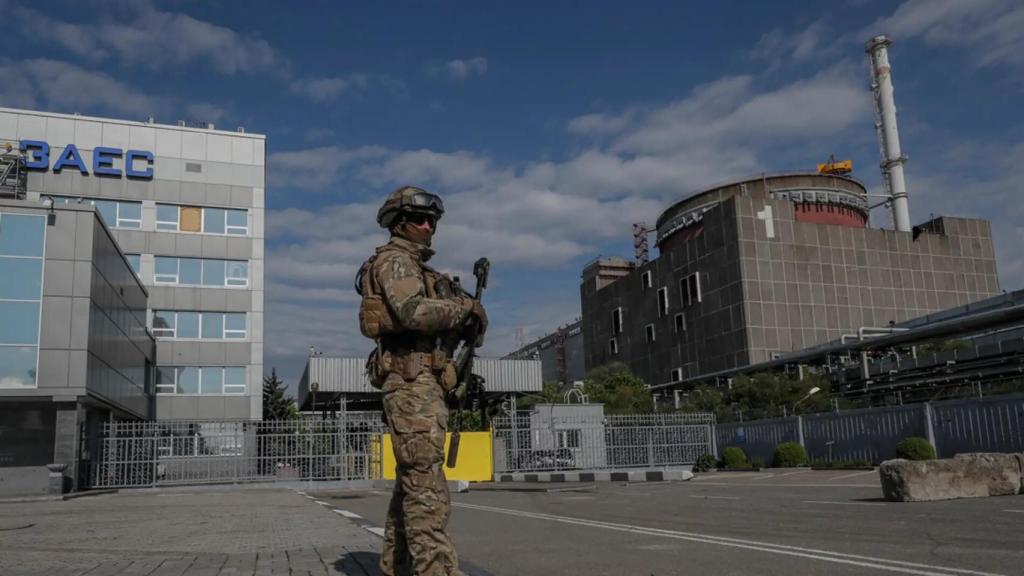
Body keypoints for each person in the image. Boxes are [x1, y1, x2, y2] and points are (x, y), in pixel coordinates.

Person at [357, 185, 487, 576]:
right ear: (398, 223)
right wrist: (464, 308)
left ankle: (398, 567)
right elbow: (413, 312)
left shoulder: (416, 267)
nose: (428, 226)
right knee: (426, 486)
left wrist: (466, 317)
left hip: (423, 383)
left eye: (433, 219)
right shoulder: (395, 262)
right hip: (412, 384)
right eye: (419, 218)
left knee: (413, 481)